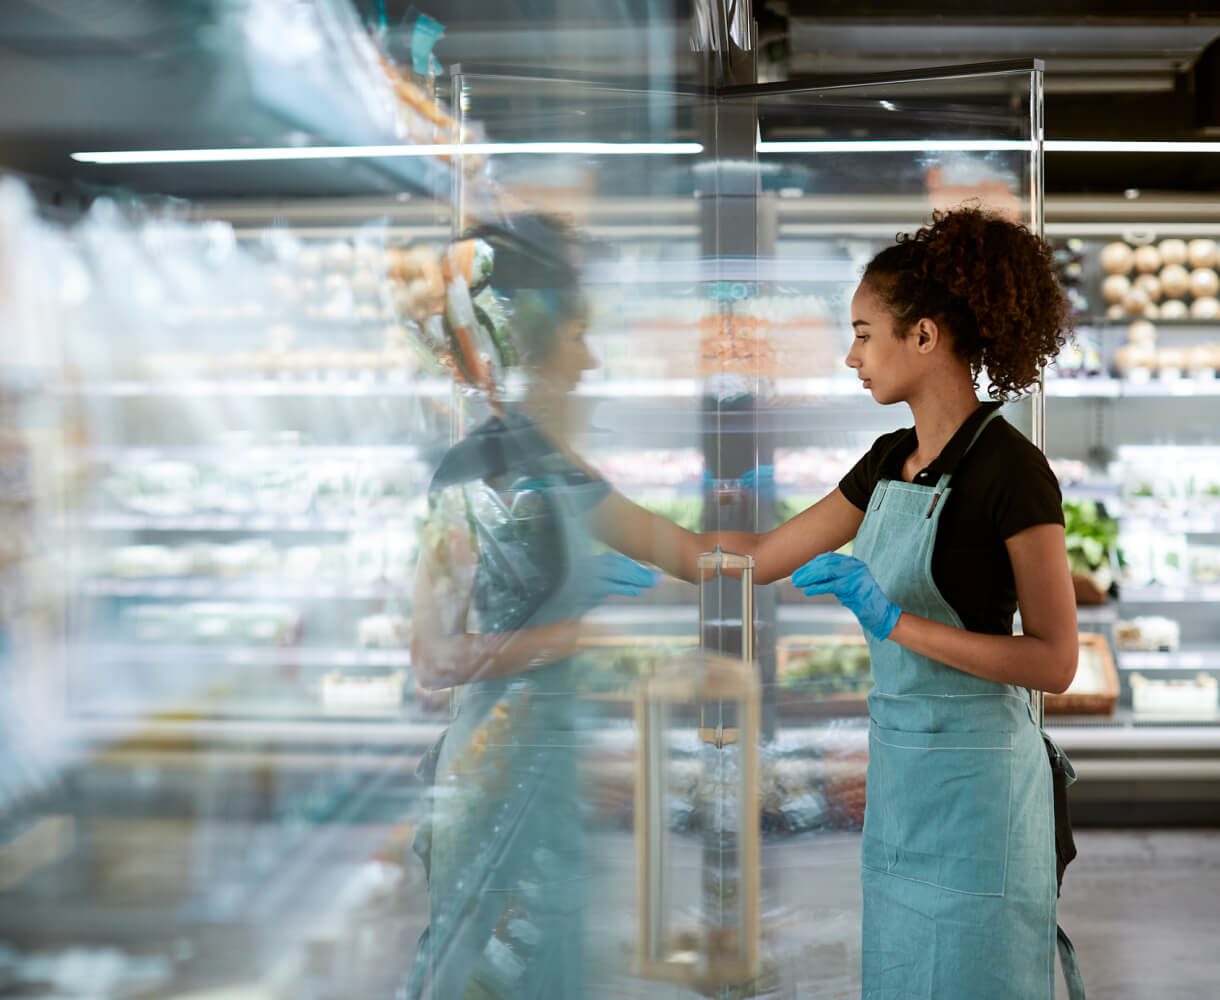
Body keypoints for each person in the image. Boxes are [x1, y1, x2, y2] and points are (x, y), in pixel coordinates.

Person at [674, 206, 1086, 999]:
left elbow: (1054, 661)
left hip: (982, 796)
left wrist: (899, 623)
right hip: (903, 786)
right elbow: (758, 561)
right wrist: (624, 532)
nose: (850, 355)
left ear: (924, 337)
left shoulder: (1012, 470)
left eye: (865, 333)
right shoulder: (888, 460)